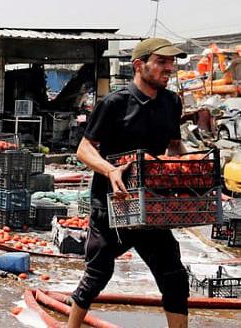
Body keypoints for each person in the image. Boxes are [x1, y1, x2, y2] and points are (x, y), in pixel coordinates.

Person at [68, 38, 189, 328]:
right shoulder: (114, 104)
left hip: (152, 206)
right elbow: (84, 149)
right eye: (161, 62)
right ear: (139, 65)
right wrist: (110, 170)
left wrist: (192, 170)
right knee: (97, 274)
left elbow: (174, 147)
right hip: (113, 205)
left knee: (174, 276)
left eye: (171, 63)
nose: (169, 68)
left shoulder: (172, 102)